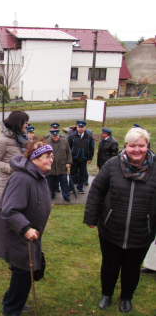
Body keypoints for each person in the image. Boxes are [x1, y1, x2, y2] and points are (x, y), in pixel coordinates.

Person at [83, 127, 156, 313]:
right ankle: (106, 294)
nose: (136, 149)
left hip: (142, 230)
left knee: (132, 268)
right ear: (126, 146)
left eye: (141, 145)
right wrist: (91, 217)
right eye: (132, 146)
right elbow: (96, 191)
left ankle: (126, 297)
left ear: (147, 146)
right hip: (111, 228)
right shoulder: (113, 164)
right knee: (109, 264)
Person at [0, 141, 52, 316]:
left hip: (27, 229)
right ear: (35, 159)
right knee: (25, 269)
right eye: (47, 157)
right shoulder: (22, 178)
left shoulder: (39, 175)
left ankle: (12, 300)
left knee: (23, 268)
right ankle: (11, 310)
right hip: (14, 230)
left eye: (51, 156)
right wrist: (25, 228)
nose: (51, 160)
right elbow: (10, 209)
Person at [0, 111, 29, 202]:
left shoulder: (24, 138)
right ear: (18, 123)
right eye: (25, 123)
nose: (27, 125)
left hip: (22, 183)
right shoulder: (2, 141)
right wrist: (11, 168)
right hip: (7, 185)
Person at [68, 120, 94, 194]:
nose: (80, 129)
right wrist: (69, 158)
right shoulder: (72, 136)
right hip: (74, 158)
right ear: (77, 127)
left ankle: (80, 187)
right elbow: (68, 147)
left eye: (82, 127)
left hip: (83, 158)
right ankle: (71, 187)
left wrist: (90, 158)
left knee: (82, 174)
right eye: (79, 127)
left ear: (84, 128)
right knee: (73, 174)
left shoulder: (89, 137)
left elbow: (91, 148)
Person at [46, 129, 72, 202]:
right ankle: (51, 193)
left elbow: (69, 153)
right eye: (54, 136)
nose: (56, 137)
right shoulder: (47, 143)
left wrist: (68, 162)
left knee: (64, 181)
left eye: (57, 135)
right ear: (51, 135)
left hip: (62, 166)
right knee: (51, 182)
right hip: (52, 166)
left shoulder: (64, 142)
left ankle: (66, 195)